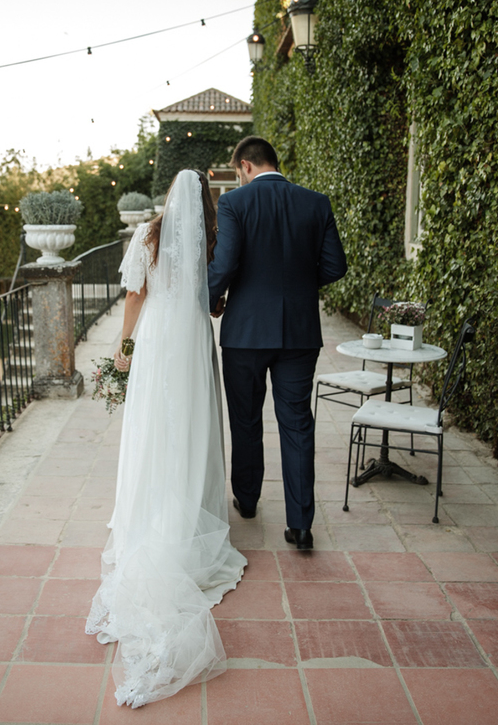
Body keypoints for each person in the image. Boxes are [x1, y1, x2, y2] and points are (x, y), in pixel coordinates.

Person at [86, 169, 247, 708]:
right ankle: (190, 508)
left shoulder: (147, 236)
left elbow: (135, 296)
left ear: (168, 198)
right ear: (205, 201)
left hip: (157, 337)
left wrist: (124, 344)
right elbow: (213, 300)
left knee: (153, 424)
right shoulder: (211, 238)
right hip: (193, 339)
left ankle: (151, 509)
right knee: (191, 426)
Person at [207, 136, 347, 550]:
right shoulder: (316, 203)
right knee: (297, 422)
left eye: (238, 172)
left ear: (245, 166)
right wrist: (299, 285)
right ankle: (301, 525)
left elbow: (224, 264)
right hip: (300, 332)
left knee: (246, 420)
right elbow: (335, 266)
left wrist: (209, 300)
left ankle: (248, 500)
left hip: (246, 332)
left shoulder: (234, 203)